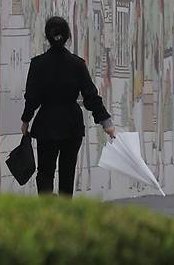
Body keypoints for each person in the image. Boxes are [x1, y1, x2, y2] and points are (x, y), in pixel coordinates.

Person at [21, 16, 116, 196]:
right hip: (72, 126)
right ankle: (65, 215)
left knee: (45, 173)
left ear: (47, 37)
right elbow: (91, 96)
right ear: (67, 36)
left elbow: (32, 98)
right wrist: (106, 122)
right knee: (67, 174)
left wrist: (26, 120)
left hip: (46, 125)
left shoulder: (38, 64)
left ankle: (47, 212)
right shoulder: (77, 64)